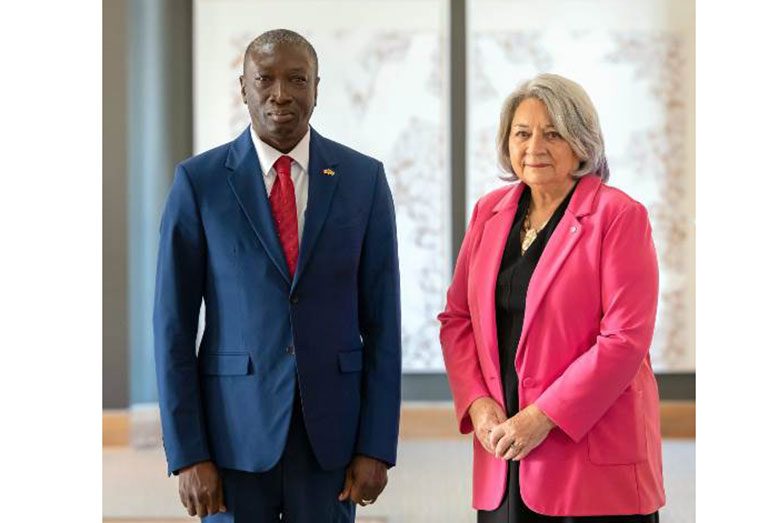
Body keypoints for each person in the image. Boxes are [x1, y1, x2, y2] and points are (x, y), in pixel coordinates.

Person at [153, 29, 401, 522]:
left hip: (331, 439)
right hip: (230, 441)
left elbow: (383, 324)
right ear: (242, 87)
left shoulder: (363, 180)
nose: (281, 94)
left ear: (316, 87)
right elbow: (172, 329)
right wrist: (188, 453)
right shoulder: (198, 183)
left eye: (297, 79)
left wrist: (376, 445)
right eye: (264, 79)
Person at [438, 73, 665, 522]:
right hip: (504, 450)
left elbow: (625, 340)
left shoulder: (619, 216)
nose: (534, 146)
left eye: (553, 132)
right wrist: (478, 404)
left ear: (582, 143)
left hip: (590, 458)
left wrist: (542, 417)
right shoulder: (489, 212)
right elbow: (457, 319)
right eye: (522, 133)